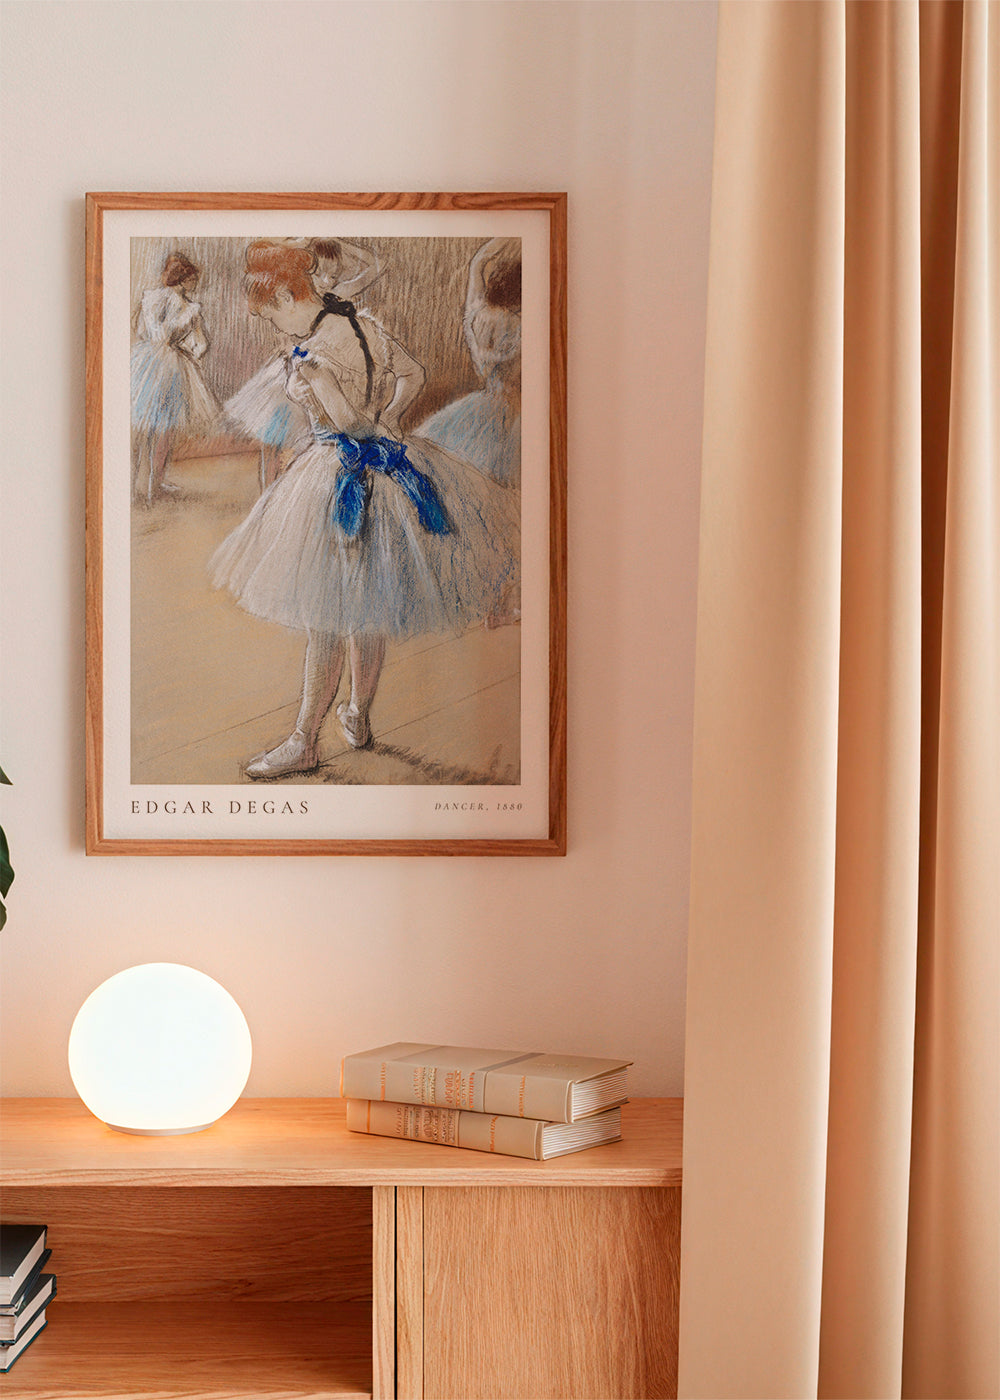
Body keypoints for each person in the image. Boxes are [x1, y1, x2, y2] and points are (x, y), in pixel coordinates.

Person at [210, 243, 518, 779]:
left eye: (273, 315)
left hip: (341, 473)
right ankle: (357, 714)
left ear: (286, 296)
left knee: (327, 617)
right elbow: (414, 373)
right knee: (368, 604)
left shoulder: (312, 355)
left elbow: (349, 424)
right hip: (390, 470)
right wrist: (392, 420)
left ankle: (305, 740)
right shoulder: (363, 326)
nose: (277, 328)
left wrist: (350, 412)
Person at [223, 239, 380, 490]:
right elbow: (286, 339)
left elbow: (375, 267)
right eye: (320, 273)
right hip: (290, 372)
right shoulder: (291, 295)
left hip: (319, 373)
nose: (327, 281)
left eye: (334, 275)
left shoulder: (333, 300)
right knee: (274, 441)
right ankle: (270, 493)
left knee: (310, 442)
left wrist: (337, 240)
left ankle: (290, 489)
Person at [417, 237, 521, 488]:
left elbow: (478, 263)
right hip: (510, 410)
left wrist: (497, 244)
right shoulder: (520, 326)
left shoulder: (477, 312)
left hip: (484, 403)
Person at [131, 252, 218, 503]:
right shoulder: (179, 305)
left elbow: (199, 344)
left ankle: (149, 485)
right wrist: (186, 331)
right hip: (162, 366)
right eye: (193, 278)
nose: (196, 282)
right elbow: (165, 336)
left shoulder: (161, 300)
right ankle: (144, 486)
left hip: (156, 362)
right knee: (154, 428)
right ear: (184, 278)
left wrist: (190, 346)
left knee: (154, 427)